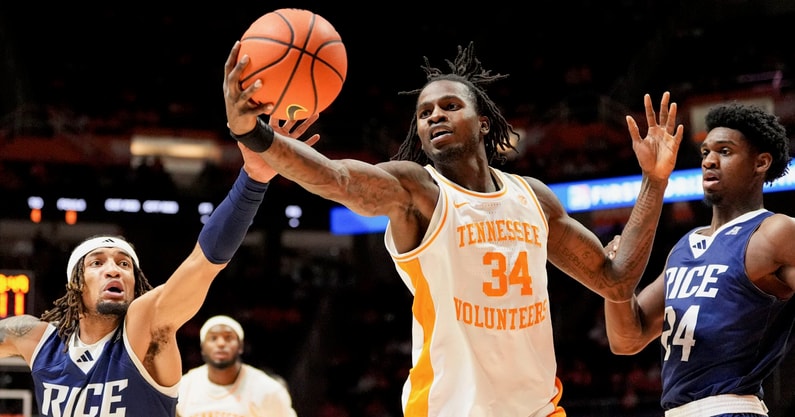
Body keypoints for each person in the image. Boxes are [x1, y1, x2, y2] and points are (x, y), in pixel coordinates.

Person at [223, 40, 683, 416]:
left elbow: (616, 280)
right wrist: (256, 134)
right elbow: (339, 178)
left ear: (482, 123)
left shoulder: (534, 198)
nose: (434, 116)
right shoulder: (418, 192)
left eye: (449, 105)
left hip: (539, 410)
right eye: (424, 114)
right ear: (420, 136)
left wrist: (654, 181)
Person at [0, 117, 319, 416]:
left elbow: (202, 263)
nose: (114, 270)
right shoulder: (35, 338)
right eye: (97, 262)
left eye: (124, 264)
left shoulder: (146, 326)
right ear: (76, 284)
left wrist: (253, 180)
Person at [603, 102, 795, 417]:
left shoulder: (776, 231)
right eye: (705, 152)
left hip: (730, 406)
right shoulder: (685, 246)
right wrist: (613, 284)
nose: (709, 160)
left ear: (761, 163)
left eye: (725, 151)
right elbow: (627, 339)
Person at [176, 315, 297, 417]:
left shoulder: (267, 389)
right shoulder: (184, 386)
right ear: (202, 348)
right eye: (213, 338)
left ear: (241, 346)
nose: (221, 343)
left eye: (228, 338)